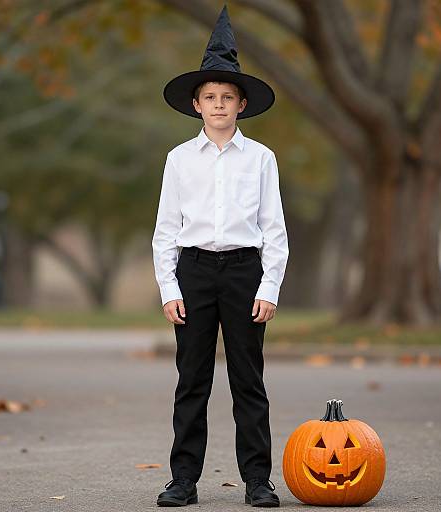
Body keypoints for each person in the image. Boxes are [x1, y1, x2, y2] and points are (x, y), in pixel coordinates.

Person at [152, 4, 288, 508]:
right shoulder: (179, 159)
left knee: (247, 379)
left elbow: (274, 228)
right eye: (209, 97)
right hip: (194, 271)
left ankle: (258, 479)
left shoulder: (261, 159)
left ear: (241, 104)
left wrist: (268, 286)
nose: (218, 105)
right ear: (196, 104)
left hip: (244, 270)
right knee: (192, 381)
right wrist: (170, 289)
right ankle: (183, 479)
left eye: (227, 97)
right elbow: (165, 229)